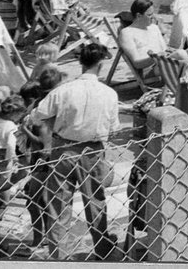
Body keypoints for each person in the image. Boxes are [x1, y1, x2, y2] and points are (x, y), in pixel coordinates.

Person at [31, 42, 121, 261]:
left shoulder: (64, 90)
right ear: (101, 64)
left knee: (58, 205)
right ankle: (102, 250)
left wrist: (56, 122)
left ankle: (59, 255)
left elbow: (37, 116)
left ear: (80, 63)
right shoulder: (109, 94)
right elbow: (114, 129)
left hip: (63, 150)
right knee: (95, 203)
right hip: (92, 151)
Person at [117, 0, 166, 80]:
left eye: (153, 14)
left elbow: (165, 50)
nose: (154, 18)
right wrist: (155, 58)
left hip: (163, 63)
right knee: (182, 59)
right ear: (139, 15)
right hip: (149, 71)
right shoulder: (127, 33)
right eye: (149, 15)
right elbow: (137, 63)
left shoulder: (154, 28)